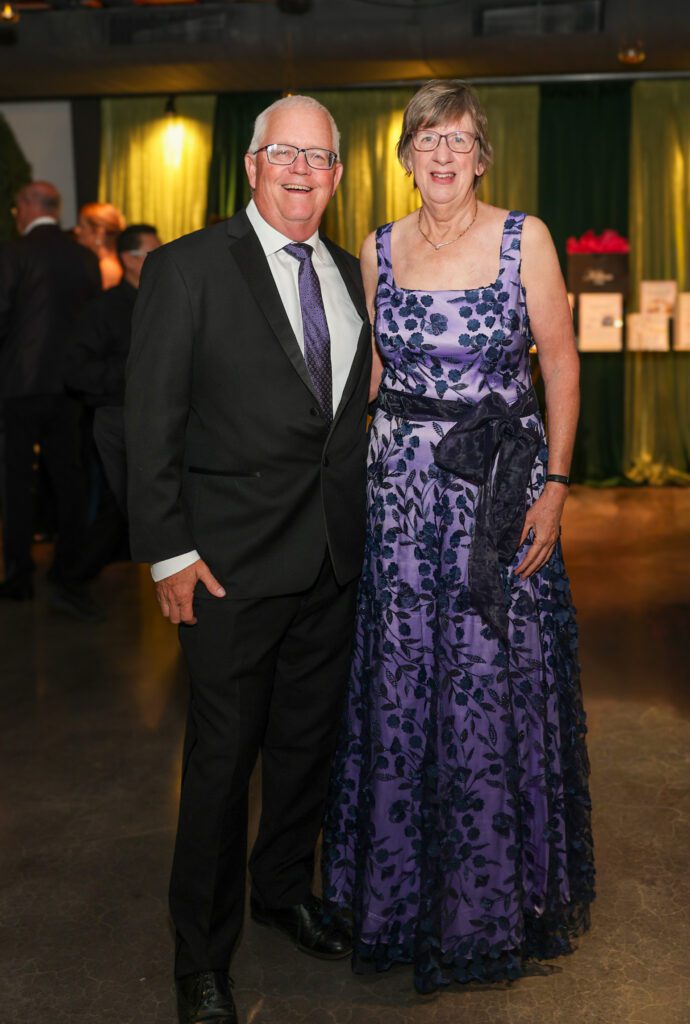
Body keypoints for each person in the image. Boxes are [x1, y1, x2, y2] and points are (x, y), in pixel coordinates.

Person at [322, 80, 595, 995]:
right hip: (399, 500)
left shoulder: (527, 237)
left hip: (497, 493)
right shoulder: (376, 248)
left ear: (482, 155)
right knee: (404, 688)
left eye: (460, 140)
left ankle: (494, 901)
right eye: (425, 140)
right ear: (403, 155)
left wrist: (555, 485)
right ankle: (401, 900)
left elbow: (558, 357)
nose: (442, 156)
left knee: (489, 687)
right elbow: (370, 371)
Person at [125, 95, 371, 1024]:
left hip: (333, 566)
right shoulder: (187, 270)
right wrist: (168, 554)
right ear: (252, 165)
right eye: (284, 153)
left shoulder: (355, 276)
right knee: (223, 768)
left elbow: (346, 423)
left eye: (320, 157)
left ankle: (282, 892)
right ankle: (200, 955)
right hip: (224, 570)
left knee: (306, 751)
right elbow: (147, 424)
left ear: (339, 175)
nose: (303, 170)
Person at [0, 181, 103, 619]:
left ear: (25, 206)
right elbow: (93, 324)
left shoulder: (14, 252)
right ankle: (70, 569)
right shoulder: (84, 257)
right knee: (69, 478)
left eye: (15, 207)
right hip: (70, 387)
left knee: (17, 481)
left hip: (20, 386)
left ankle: (19, 574)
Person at [66, 223, 161, 513]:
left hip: (162, 419)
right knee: (124, 511)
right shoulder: (103, 309)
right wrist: (134, 373)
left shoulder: (165, 301)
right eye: (155, 254)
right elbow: (76, 370)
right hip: (118, 418)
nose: (164, 261)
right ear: (129, 259)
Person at [75, 202, 126, 289]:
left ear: (99, 233)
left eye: (82, 226)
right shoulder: (102, 264)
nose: (77, 230)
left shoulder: (107, 269)